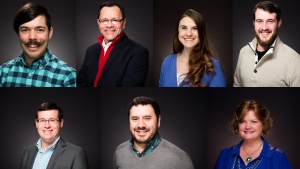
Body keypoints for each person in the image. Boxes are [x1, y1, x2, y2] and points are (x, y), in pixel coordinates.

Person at [0, 2, 76, 87]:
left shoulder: (68, 76)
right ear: (18, 33)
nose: (32, 37)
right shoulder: (2, 72)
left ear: (50, 33)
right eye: (25, 30)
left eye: (40, 29)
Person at [77, 1, 149, 87]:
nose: (109, 25)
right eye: (104, 20)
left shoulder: (138, 52)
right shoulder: (91, 50)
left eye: (115, 20)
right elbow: (81, 80)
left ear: (124, 23)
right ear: (98, 23)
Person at [113, 96, 194, 169]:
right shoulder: (120, 152)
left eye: (147, 118)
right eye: (135, 119)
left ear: (158, 121)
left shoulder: (179, 159)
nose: (141, 125)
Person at [234, 1, 300, 87]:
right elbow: (237, 85)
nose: (264, 27)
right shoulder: (243, 52)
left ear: (279, 23)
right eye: (259, 21)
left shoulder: (295, 61)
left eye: (270, 21)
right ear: (254, 23)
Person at [214, 100, 292, 169]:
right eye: (243, 122)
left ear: (264, 124)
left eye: (254, 121)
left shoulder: (278, 157)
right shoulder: (225, 154)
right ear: (237, 125)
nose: (248, 126)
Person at [158, 9, 226, 87]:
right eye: (184, 28)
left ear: (201, 33)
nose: (189, 33)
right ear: (178, 31)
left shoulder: (214, 66)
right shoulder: (167, 62)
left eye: (195, 28)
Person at [19, 102, 89, 169]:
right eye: (42, 120)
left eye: (52, 120)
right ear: (36, 123)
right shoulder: (27, 151)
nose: (47, 126)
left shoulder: (76, 153)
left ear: (61, 123)